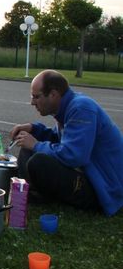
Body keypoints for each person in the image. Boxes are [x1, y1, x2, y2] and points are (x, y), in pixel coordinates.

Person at [10, 69, 123, 216]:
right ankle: (28, 190)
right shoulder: (68, 106)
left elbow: (74, 156)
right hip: (91, 177)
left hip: (102, 189)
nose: (32, 102)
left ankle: (39, 194)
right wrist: (34, 129)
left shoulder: (81, 108)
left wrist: (36, 145)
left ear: (53, 94)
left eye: (36, 97)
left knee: (38, 160)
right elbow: (60, 138)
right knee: (27, 147)